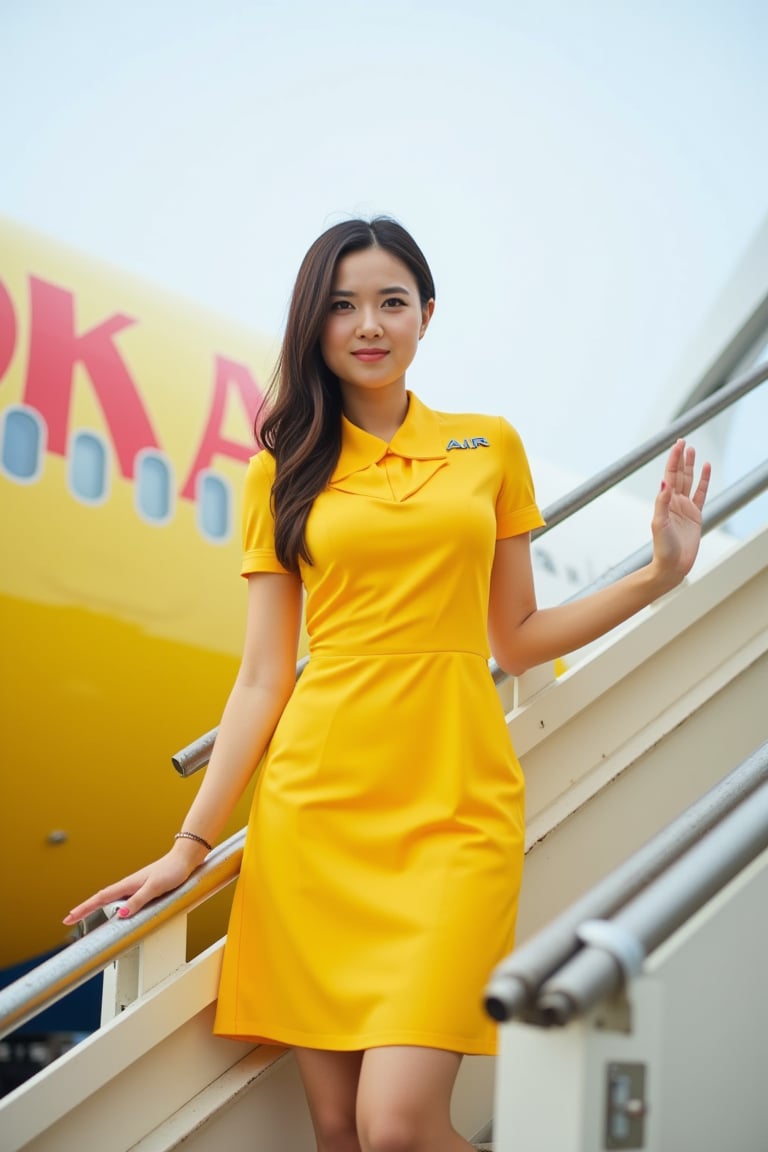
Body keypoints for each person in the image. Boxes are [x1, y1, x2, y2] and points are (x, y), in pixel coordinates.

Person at [64, 216, 710, 1152]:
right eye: (342, 305)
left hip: (453, 809)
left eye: (391, 303)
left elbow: (517, 640)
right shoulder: (282, 471)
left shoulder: (489, 448)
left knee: (397, 1128)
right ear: (314, 325)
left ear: (426, 317)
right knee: (336, 1128)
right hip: (316, 815)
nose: (368, 323)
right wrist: (191, 845)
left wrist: (657, 576)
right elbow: (259, 678)